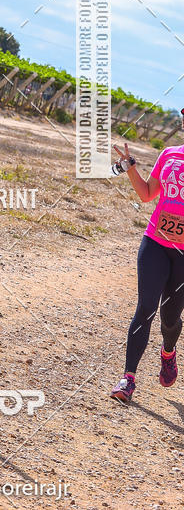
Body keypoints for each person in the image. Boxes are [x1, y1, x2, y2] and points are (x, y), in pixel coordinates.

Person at [110, 121, 184, 404]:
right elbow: (146, 194)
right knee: (145, 308)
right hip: (155, 242)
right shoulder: (169, 154)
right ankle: (128, 378)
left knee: (170, 318)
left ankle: (168, 351)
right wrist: (130, 168)